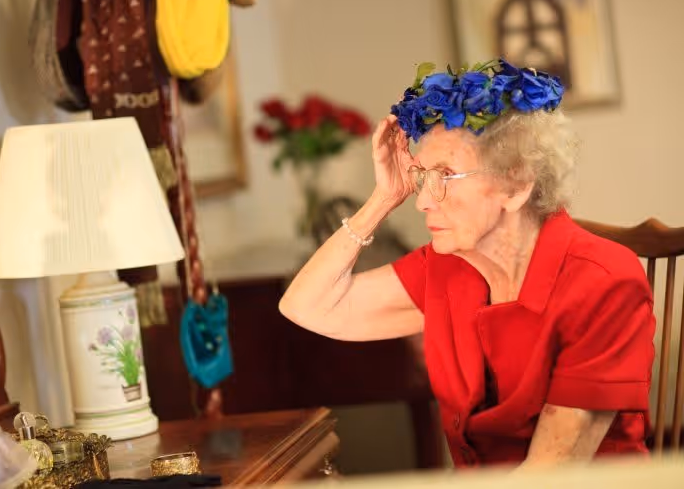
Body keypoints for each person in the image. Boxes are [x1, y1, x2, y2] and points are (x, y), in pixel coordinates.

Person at [278, 59, 656, 468]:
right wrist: (383, 198)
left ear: (515, 183)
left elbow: (548, 475)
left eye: (445, 175)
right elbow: (305, 307)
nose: (422, 200)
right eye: (423, 177)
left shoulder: (604, 281)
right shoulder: (449, 266)